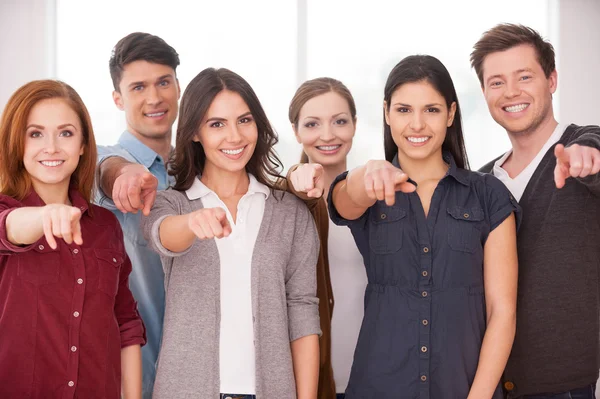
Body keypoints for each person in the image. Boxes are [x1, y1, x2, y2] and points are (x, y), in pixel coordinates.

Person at [327, 55, 520, 398]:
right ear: (386, 113)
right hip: (378, 386)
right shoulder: (369, 189)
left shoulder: (488, 195)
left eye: (430, 110)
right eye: (403, 110)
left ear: (450, 114)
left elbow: (501, 311)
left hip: (463, 389)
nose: (417, 124)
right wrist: (366, 174)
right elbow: (343, 199)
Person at [141, 67, 321, 399]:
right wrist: (192, 224)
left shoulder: (289, 213)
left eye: (244, 120)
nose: (235, 137)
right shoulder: (173, 204)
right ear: (195, 132)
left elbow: (302, 310)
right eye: (217, 124)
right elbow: (161, 234)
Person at [471, 23, 600, 398]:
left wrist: (587, 155)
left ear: (552, 80)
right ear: (484, 92)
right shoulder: (480, 183)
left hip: (564, 387)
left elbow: (594, 148)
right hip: (487, 383)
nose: (511, 92)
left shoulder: (581, 150)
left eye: (524, 76)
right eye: (496, 82)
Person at [0, 80, 145, 398]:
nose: (51, 147)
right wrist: (44, 217)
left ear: (82, 144)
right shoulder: (7, 214)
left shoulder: (105, 226)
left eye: (65, 133)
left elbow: (126, 323)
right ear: (17, 143)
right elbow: (10, 228)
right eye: (35, 133)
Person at [95, 32, 180, 397]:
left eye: (163, 82)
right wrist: (122, 172)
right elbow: (101, 169)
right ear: (118, 99)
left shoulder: (196, 172)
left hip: (199, 374)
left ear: (178, 86)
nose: (154, 97)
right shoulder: (103, 160)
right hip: (132, 376)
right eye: (138, 87)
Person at [286, 77, 368, 399]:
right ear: (295, 131)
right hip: (307, 383)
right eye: (312, 124)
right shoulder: (280, 204)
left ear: (355, 125)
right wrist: (293, 176)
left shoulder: (377, 199)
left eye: (340, 121)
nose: (328, 135)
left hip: (372, 376)